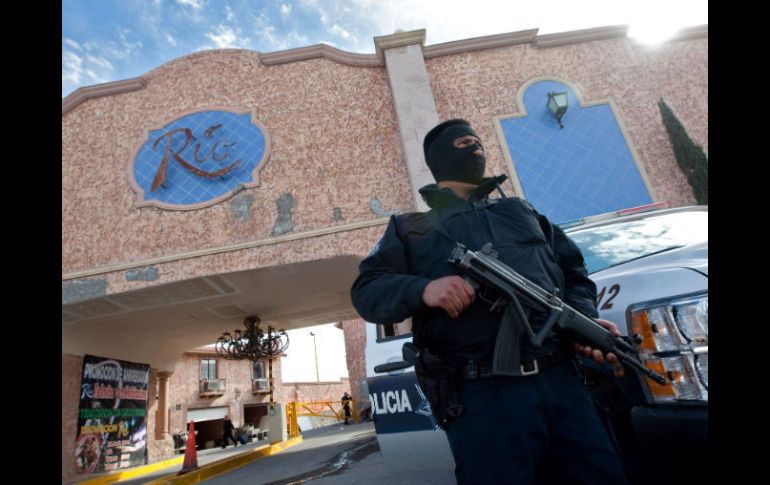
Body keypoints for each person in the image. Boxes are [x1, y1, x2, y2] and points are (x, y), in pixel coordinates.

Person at [350, 119, 630, 484]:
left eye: (478, 140)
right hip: (483, 399)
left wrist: (583, 322)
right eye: (463, 141)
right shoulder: (412, 228)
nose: (475, 146)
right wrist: (423, 290)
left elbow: (574, 274)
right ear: (439, 158)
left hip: (564, 386)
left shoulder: (521, 212)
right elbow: (367, 290)